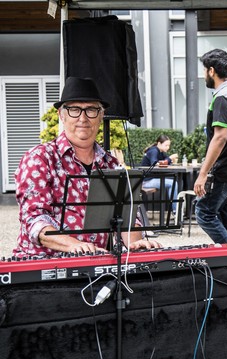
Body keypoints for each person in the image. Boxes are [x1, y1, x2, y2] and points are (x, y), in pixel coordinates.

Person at [13, 77, 161, 256]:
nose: (83, 118)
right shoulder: (39, 158)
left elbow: (126, 219)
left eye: (91, 110)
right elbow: (35, 220)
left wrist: (136, 244)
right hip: (41, 267)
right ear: (62, 114)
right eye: (74, 109)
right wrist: (73, 245)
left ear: (101, 115)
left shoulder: (112, 165)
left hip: (94, 265)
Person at [193, 49, 227, 244]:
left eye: (204, 71)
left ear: (211, 71)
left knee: (204, 213)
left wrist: (203, 173)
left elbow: (220, 137)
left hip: (224, 169)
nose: (203, 76)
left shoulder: (223, 97)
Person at [141, 135, 179, 211]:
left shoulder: (161, 152)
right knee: (173, 183)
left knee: (174, 181)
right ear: (159, 143)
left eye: (168, 145)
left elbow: (165, 161)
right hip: (146, 181)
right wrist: (170, 159)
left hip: (152, 179)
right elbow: (154, 164)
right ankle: (176, 211)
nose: (168, 147)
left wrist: (170, 160)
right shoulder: (154, 150)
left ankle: (176, 211)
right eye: (166, 145)